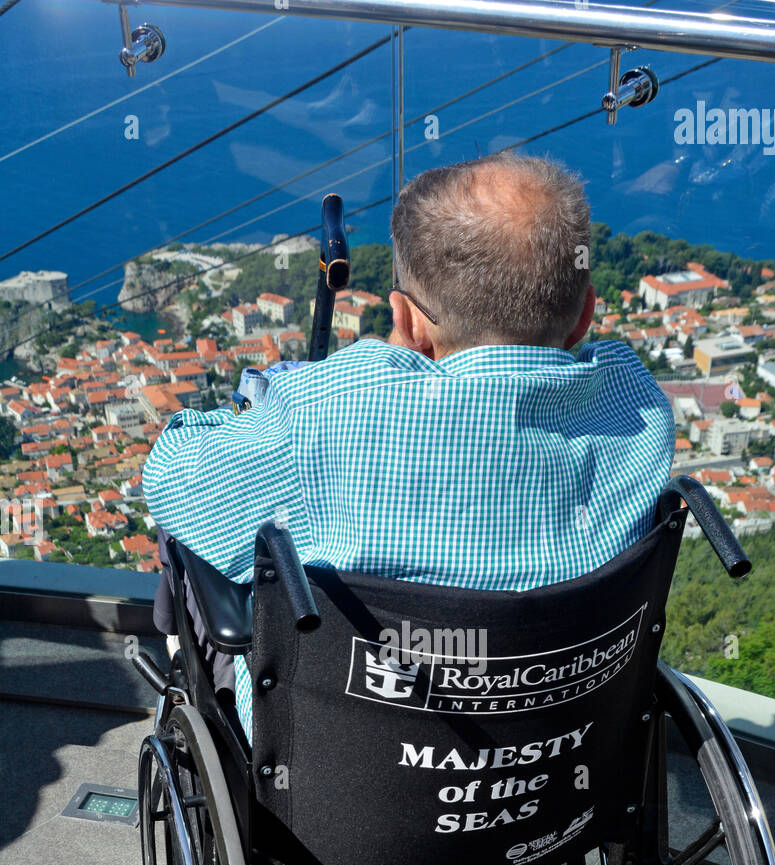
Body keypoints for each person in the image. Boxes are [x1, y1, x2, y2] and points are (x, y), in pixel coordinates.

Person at [143, 151, 675, 742]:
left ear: (408, 321)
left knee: (192, 535)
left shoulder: (334, 414)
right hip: (557, 757)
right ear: (584, 318)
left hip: (346, 777)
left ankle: (170, 649)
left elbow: (169, 478)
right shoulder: (638, 407)